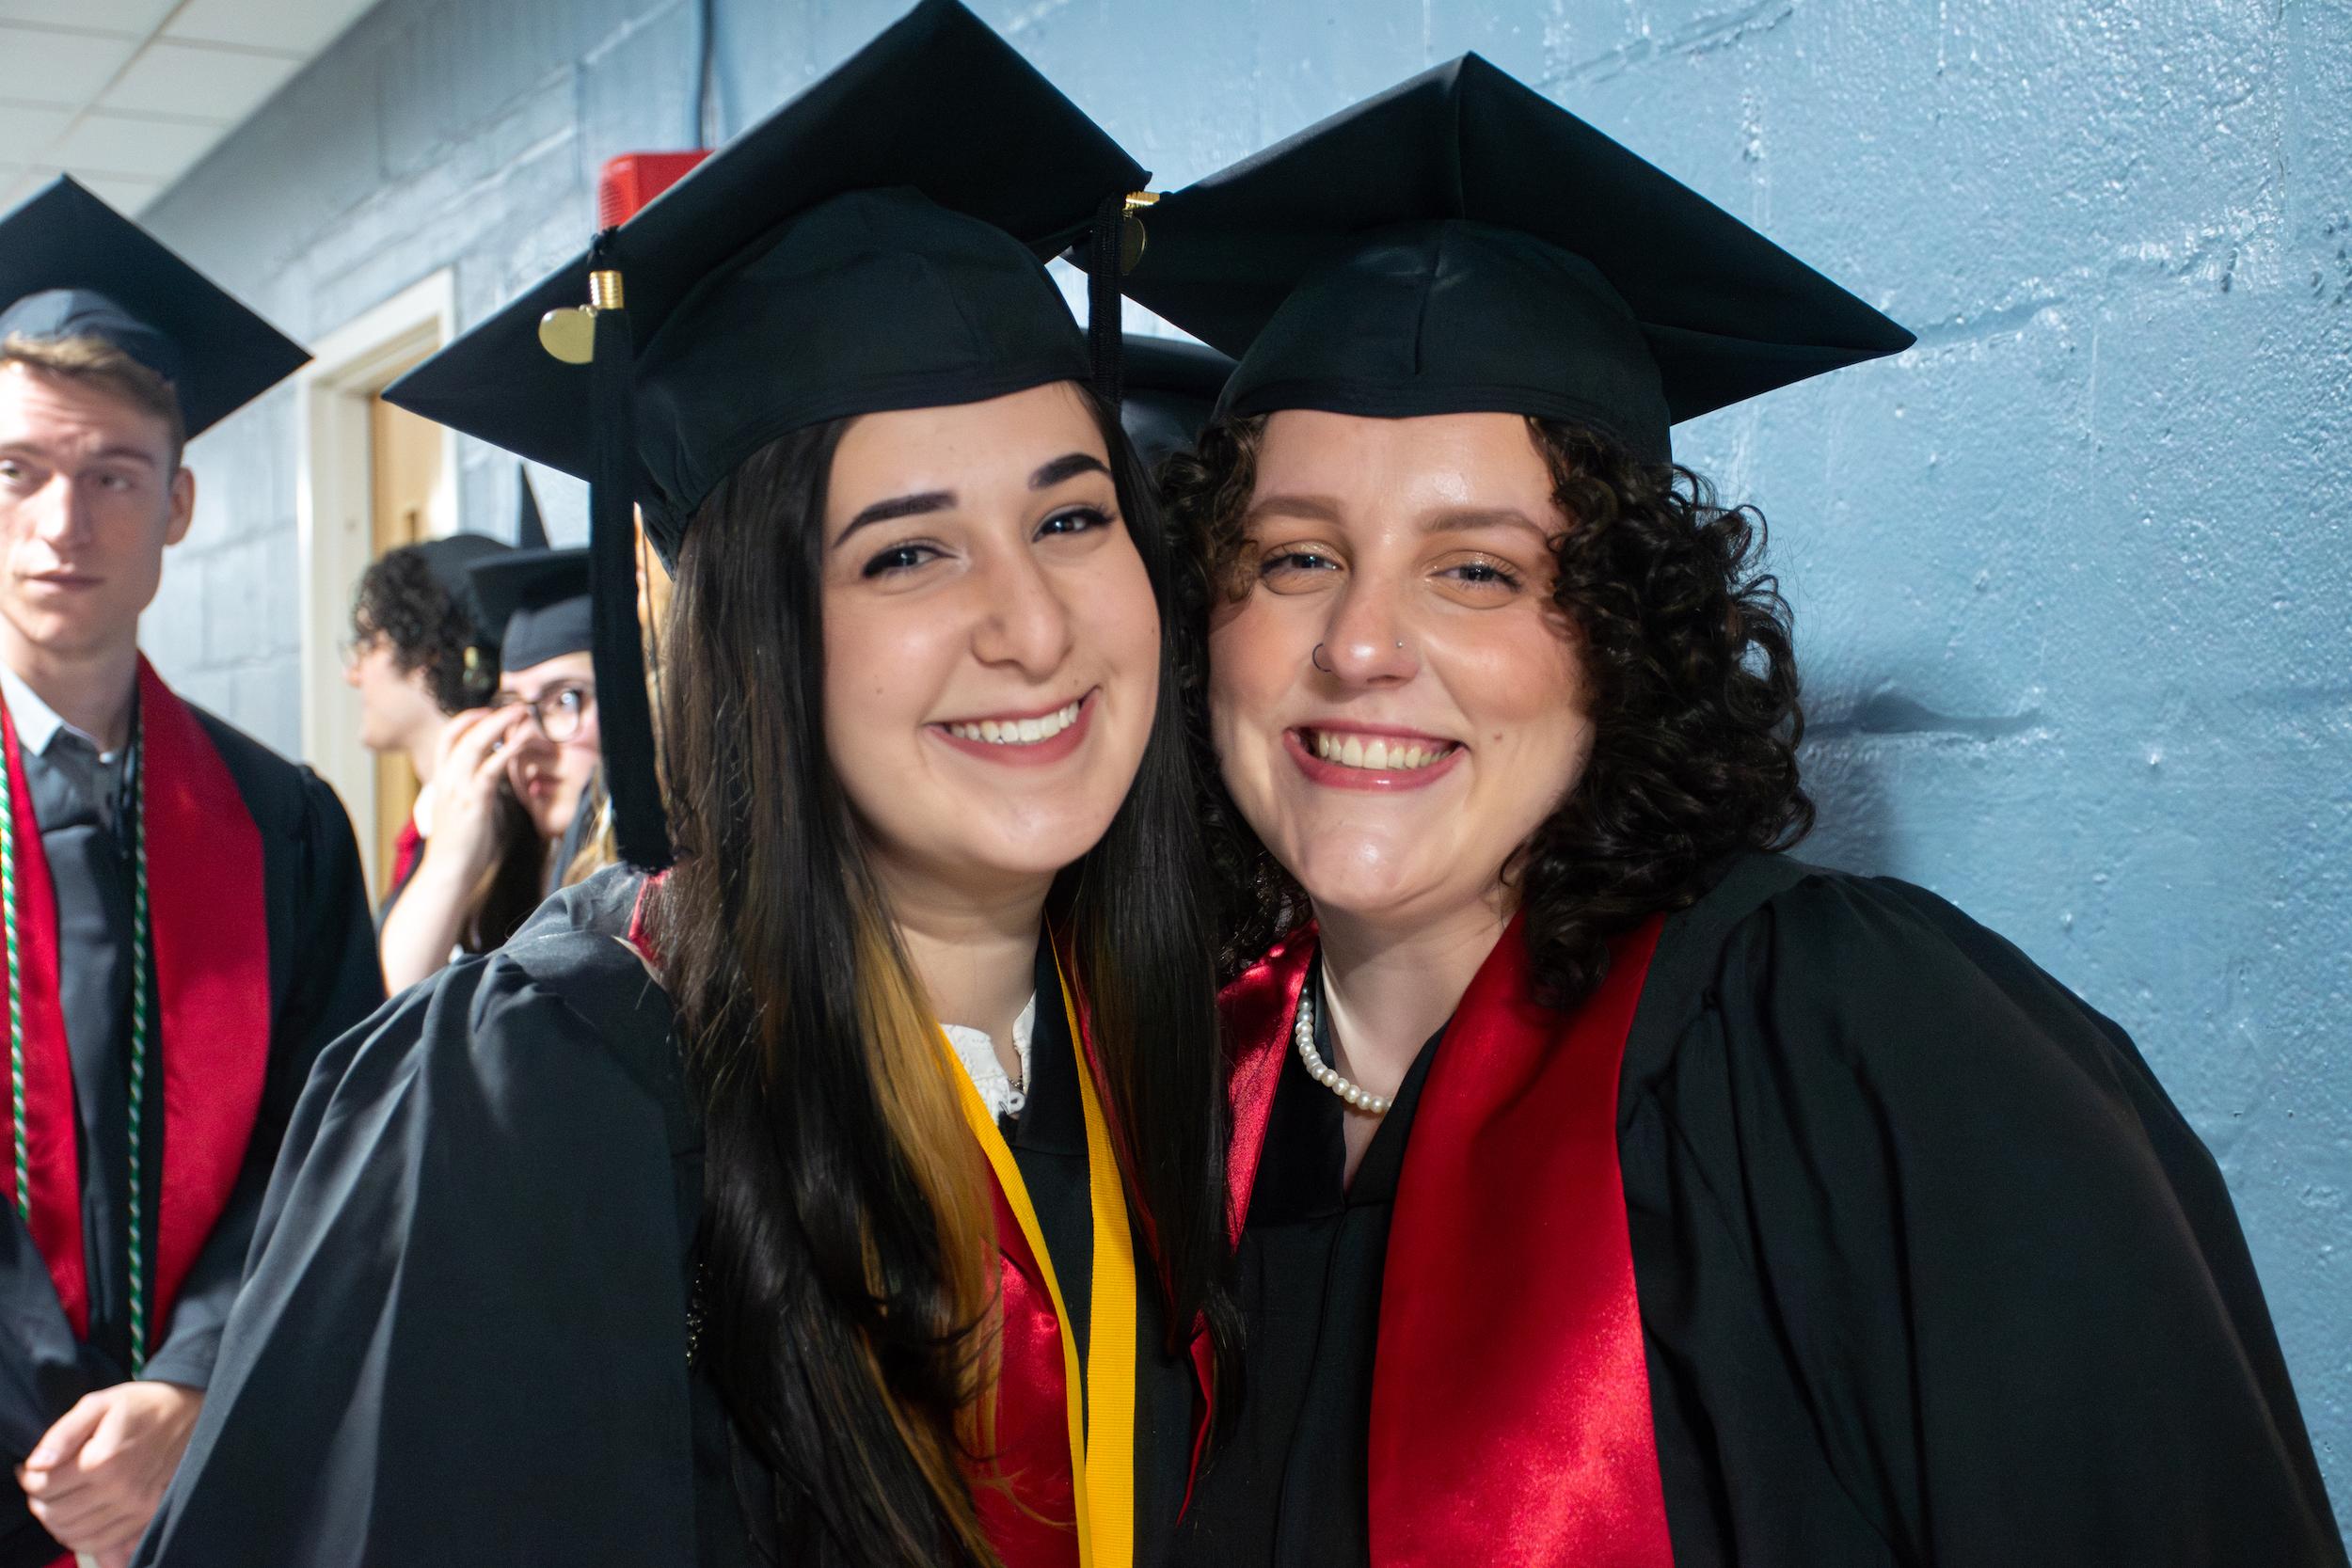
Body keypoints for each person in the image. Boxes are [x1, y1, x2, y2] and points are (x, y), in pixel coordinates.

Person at [1122, 55, 2349, 1568]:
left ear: (1618, 641)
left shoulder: (1857, 1047)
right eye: (1297, 555)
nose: (1362, 644)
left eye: (1479, 570)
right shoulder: (1169, 1115)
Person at [135, 5, 1232, 1565]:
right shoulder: (546, 1092)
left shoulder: (1165, 1044)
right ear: (751, 632)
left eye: (1072, 517)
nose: (1034, 625)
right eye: (906, 551)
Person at [0, 178, 383, 1567]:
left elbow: (326, 1142)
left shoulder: (285, 822)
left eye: (113, 474)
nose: (63, 524)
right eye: (18, 470)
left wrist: (191, 1378)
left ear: (179, 502)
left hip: (210, 1466)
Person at [373, 545, 591, 990]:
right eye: (511, 707)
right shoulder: (515, 860)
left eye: (564, 699)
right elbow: (389, 1012)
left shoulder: (659, 885)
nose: (528, 739)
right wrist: (452, 859)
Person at [341, 531, 507, 915]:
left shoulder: (493, 830)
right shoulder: (432, 819)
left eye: (369, 645)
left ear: (426, 654)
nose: (352, 674)